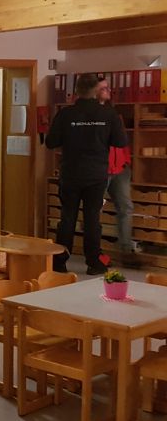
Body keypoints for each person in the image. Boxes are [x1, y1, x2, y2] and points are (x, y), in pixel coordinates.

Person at [46, 72, 128, 274]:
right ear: (95, 90)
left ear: (76, 90)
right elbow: (120, 142)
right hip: (96, 175)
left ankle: (59, 262)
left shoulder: (65, 114)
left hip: (70, 173)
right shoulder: (108, 114)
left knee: (67, 218)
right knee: (92, 220)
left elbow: (51, 142)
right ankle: (93, 262)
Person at [97, 77, 141, 267]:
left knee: (125, 207)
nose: (108, 91)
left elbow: (122, 142)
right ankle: (96, 253)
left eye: (108, 87)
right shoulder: (91, 116)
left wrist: (126, 161)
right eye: (103, 88)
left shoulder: (114, 114)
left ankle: (126, 250)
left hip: (120, 169)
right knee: (94, 210)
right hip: (101, 170)